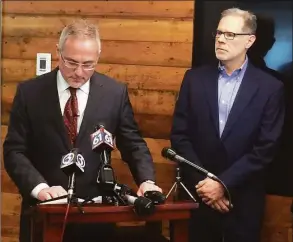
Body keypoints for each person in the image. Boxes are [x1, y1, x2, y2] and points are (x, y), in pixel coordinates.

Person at [3, 19, 162, 242]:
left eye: (88, 64)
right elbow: (14, 151)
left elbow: (132, 143)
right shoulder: (30, 93)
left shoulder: (114, 94)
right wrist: (39, 188)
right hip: (44, 213)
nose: (79, 72)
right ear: (58, 53)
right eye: (71, 63)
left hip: (95, 215)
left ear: (98, 56)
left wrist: (146, 180)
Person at [170, 7, 284, 242]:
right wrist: (206, 188)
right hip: (197, 196)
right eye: (219, 33)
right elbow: (180, 137)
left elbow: (265, 149)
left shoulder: (270, 88)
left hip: (242, 201)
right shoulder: (194, 79)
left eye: (230, 35)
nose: (221, 39)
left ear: (249, 41)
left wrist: (222, 185)